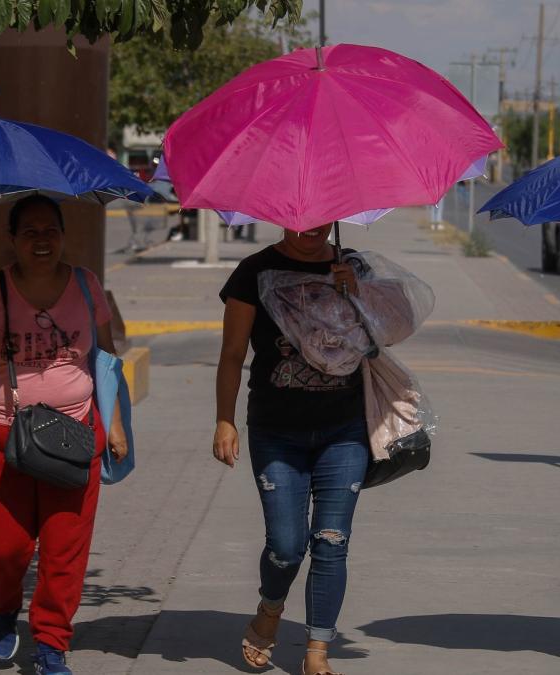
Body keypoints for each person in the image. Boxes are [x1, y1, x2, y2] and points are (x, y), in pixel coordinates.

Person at [0, 195, 130, 675]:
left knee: (64, 550)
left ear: (63, 234)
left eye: (49, 229)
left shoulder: (87, 285)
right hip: (1, 437)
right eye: (29, 231)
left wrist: (113, 424)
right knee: (3, 547)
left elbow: (107, 359)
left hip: (75, 437)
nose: (41, 240)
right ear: (11, 239)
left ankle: (51, 643)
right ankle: (5, 608)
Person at [214, 223, 366, 675]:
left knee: (332, 542)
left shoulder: (353, 267)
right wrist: (224, 418)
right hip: (276, 431)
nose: (313, 228)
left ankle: (317, 651)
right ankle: (271, 606)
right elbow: (232, 353)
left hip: (345, 429)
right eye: (302, 218)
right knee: (286, 546)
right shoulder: (254, 272)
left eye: (323, 217)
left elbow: (382, 339)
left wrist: (358, 298)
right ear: (283, 216)